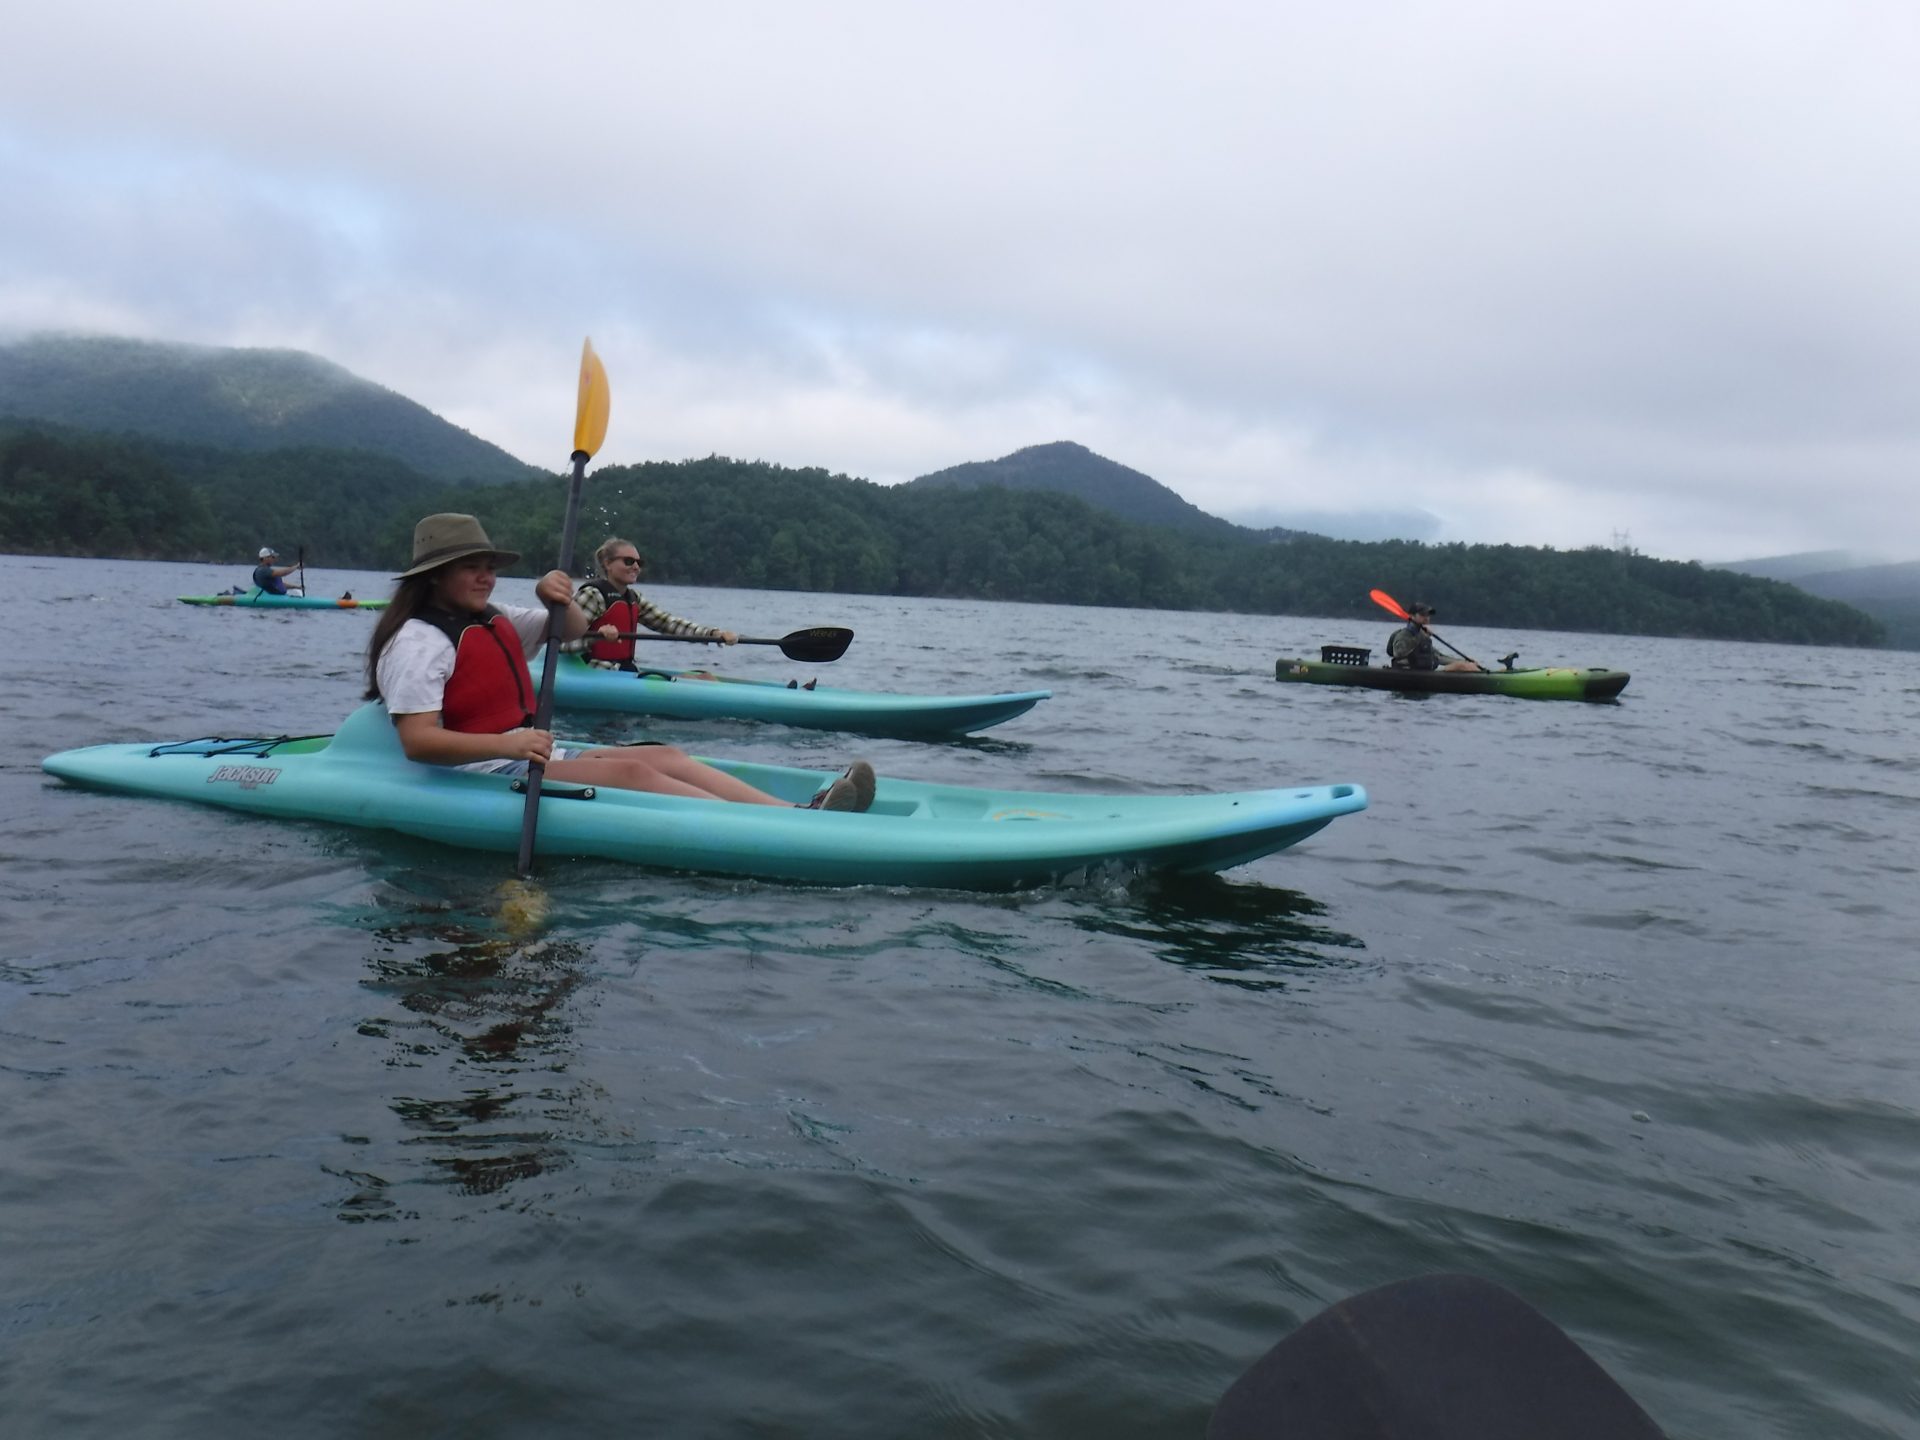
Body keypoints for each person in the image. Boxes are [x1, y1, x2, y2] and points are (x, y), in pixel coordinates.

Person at [364, 514, 874, 810]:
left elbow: (572, 630)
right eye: (469, 569)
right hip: (483, 772)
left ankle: (795, 813)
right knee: (631, 770)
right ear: (433, 577)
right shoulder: (417, 642)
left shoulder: (492, 617)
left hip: (528, 755)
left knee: (666, 755)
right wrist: (510, 743)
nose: (485, 578)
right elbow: (418, 742)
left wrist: (552, 597)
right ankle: (785, 830)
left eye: (487, 568)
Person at [559, 536, 739, 672]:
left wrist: (713, 633)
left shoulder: (633, 598)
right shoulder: (592, 595)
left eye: (639, 562)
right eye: (628, 561)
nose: (636, 566)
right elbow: (561, 643)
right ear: (608, 564)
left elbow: (668, 623)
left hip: (622, 671)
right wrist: (597, 636)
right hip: (591, 671)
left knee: (701, 677)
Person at [1387, 602, 1482, 672]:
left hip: (1426, 671)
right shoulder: (1403, 635)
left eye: (1428, 615)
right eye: (1422, 614)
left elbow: (1438, 657)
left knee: (1465, 666)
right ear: (1412, 616)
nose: (1426, 617)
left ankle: (1481, 672)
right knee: (1462, 667)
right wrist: (1422, 638)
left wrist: (1464, 661)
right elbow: (1399, 654)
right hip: (1410, 673)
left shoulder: (1422, 635)